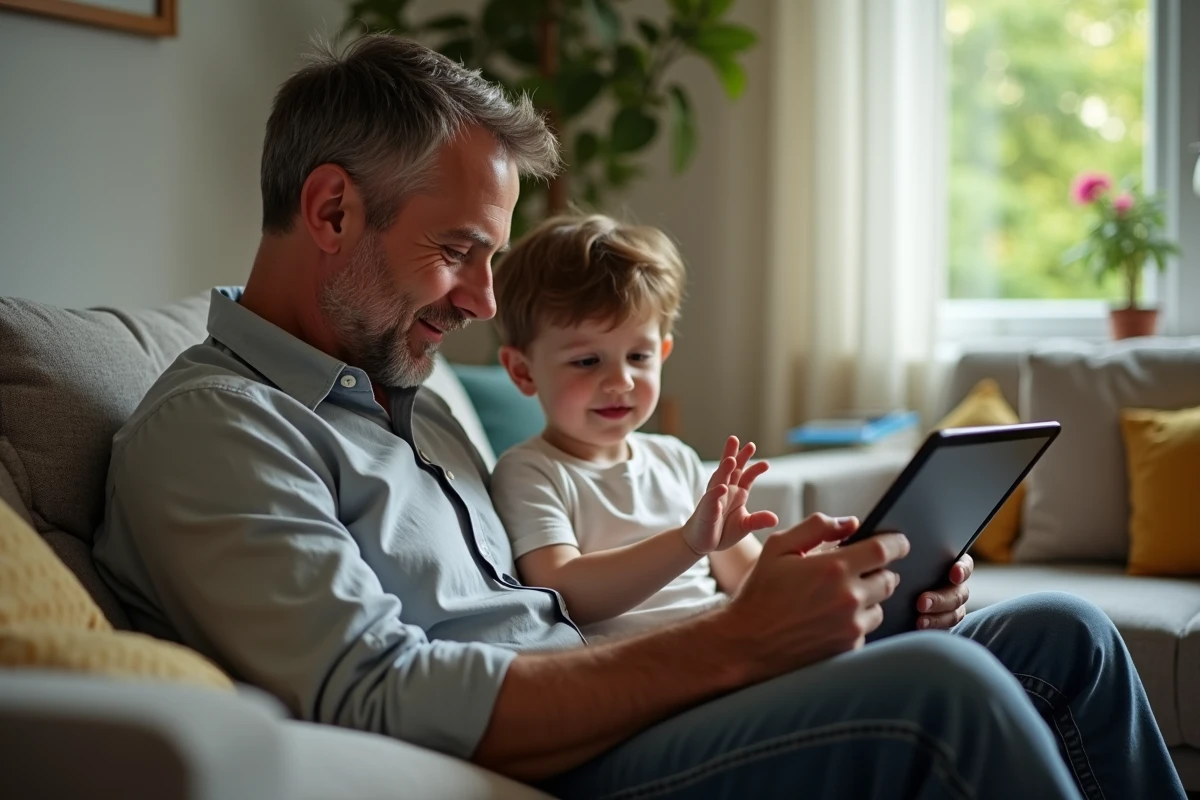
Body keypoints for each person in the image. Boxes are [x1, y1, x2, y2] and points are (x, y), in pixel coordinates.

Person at [92, 34, 1185, 800]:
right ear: (331, 209)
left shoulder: (404, 399)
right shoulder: (217, 430)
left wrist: (800, 602)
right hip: (556, 760)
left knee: (1062, 635)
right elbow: (378, 693)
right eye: (460, 250)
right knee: (944, 692)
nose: (479, 300)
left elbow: (552, 605)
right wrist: (733, 642)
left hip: (618, 701)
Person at [489, 214, 778, 642]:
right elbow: (564, 589)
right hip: (647, 673)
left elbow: (747, 574)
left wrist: (812, 567)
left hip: (731, 641)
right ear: (523, 371)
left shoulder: (674, 458)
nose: (621, 381)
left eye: (639, 358)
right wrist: (687, 543)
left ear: (662, 353)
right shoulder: (530, 472)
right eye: (588, 361)